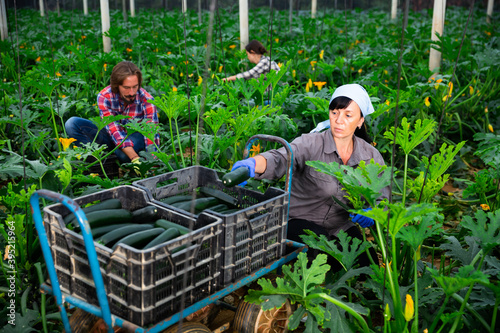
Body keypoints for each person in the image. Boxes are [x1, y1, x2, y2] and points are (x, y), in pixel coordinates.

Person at [231, 84, 390, 270]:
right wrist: (252, 165)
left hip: (340, 227)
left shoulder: (370, 156)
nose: (339, 121)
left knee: (366, 260)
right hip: (299, 221)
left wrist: (372, 212)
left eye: (348, 115)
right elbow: (281, 157)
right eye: (334, 112)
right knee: (317, 247)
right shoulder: (311, 143)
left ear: (360, 120)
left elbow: (383, 198)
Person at [65, 61, 160, 164]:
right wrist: (134, 157)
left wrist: (152, 162)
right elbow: (113, 129)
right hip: (111, 135)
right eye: (126, 88)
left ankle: (119, 159)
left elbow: (152, 135)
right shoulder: (104, 97)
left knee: (123, 154)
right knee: (72, 124)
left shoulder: (147, 100)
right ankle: (96, 162)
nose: (132, 92)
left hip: (135, 137)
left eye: (135, 86)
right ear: (116, 85)